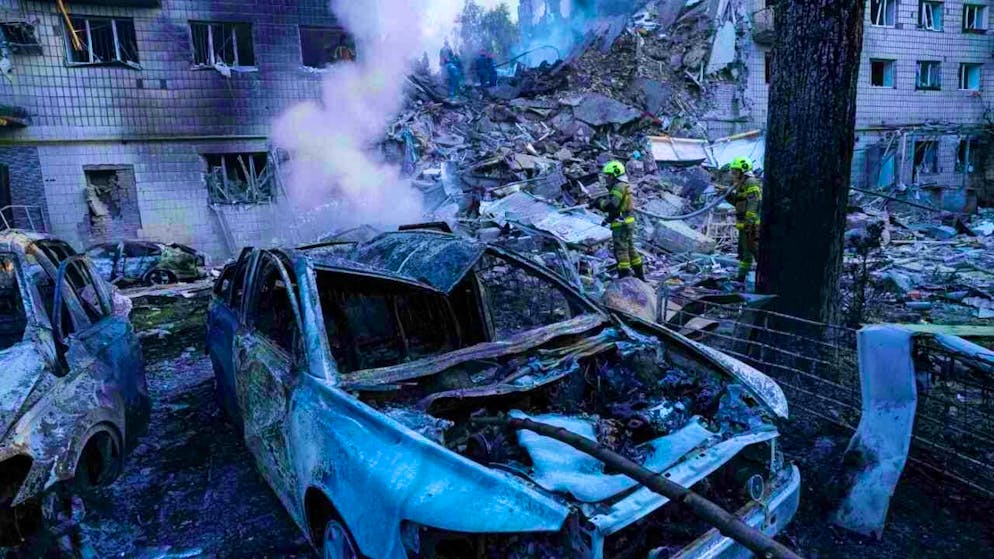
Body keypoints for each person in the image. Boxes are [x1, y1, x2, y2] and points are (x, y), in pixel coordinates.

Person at [592, 160, 645, 280]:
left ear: (613, 175)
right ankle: (640, 277)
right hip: (628, 222)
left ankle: (624, 277)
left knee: (621, 251)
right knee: (631, 249)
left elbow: (612, 205)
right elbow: (619, 209)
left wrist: (599, 203)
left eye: (608, 176)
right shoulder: (624, 185)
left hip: (621, 225)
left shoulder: (618, 187)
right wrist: (608, 219)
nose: (606, 179)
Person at [725, 156, 762, 283]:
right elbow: (738, 203)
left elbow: (754, 201)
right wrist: (727, 194)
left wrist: (749, 221)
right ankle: (741, 278)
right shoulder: (741, 184)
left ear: (743, 171)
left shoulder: (750, 182)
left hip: (750, 225)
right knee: (744, 253)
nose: (733, 174)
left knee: (755, 252)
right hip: (743, 225)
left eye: (735, 171)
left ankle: (763, 278)